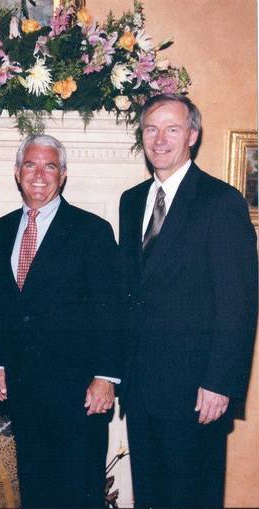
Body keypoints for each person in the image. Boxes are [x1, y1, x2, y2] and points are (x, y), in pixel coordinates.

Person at [119, 93, 258, 507]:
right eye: (151, 129)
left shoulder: (221, 201)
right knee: (150, 498)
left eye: (172, 129)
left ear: (192, 136)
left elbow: (238, 304)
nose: (159, 139)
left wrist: (220, 384)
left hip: (196, 393)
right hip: (141, 389)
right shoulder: (131, 201)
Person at [0, 134, 122, 508]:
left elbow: (111, 308)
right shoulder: (0, 230)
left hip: (79, 391)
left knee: (79, 490)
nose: (39, 175)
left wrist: (106, 376)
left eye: (50, 166)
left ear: (63, 175)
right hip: (22, 390)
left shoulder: (92, 230)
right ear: (17, 172)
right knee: (34, 488)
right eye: (30, 165)